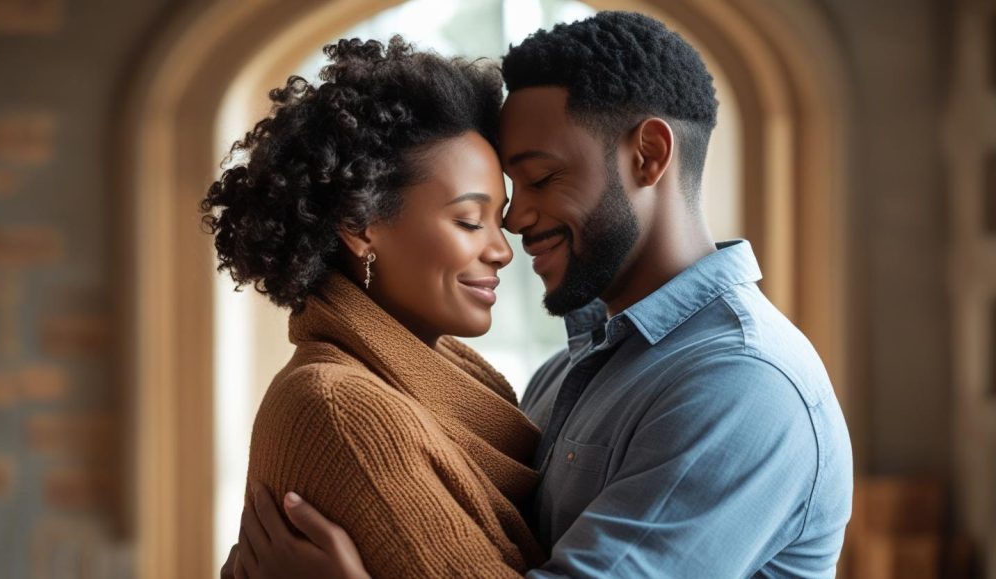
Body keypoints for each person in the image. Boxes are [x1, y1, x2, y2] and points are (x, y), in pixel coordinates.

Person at [225, 11, 854, 579]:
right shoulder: (563, 376)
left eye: (542, 179)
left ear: (650, 155)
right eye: (488, 209)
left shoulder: (741, 382)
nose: (516, 224)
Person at [202, 36, 547, 578]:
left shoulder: (444, 381)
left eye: (499, 221)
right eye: (469, 221)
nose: (503, 250)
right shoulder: (341, 408)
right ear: (361, 226)